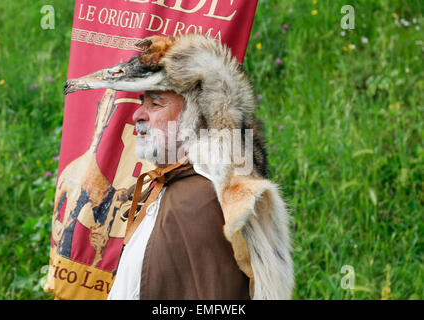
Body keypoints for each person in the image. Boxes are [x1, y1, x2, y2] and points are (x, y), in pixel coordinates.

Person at [64, 34, 294, 299]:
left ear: (194, 117)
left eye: (155, 103)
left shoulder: (197, 202)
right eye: (142, 103)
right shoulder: (172, 187)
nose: (138, 114)